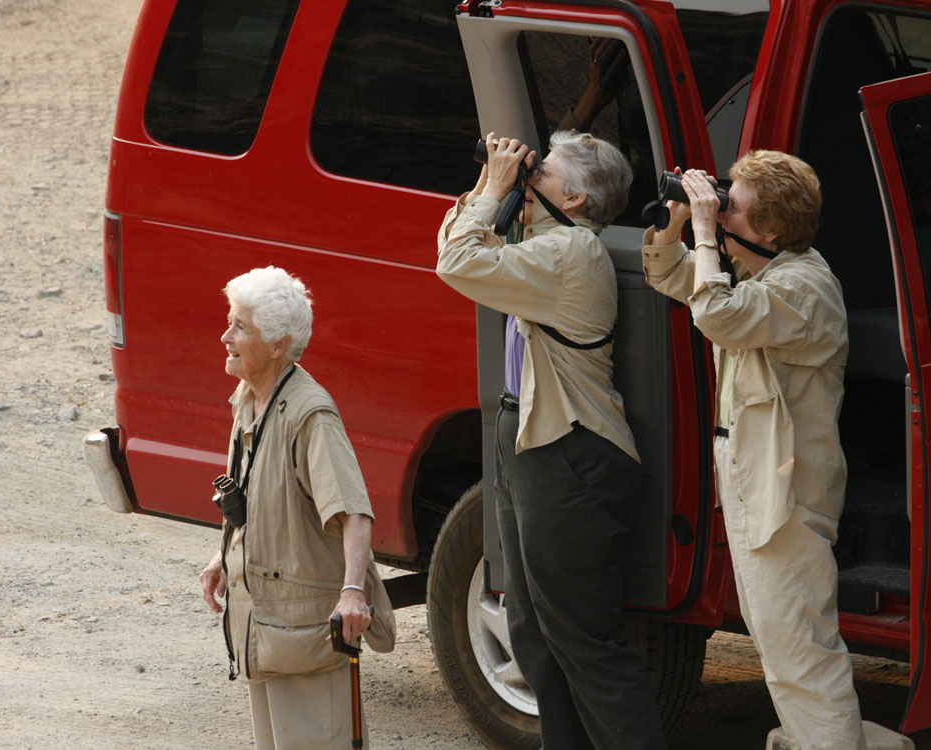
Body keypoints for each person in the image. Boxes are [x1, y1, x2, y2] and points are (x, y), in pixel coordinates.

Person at [642, 151, 900, 750]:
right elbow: (670, 275)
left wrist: (708, 231)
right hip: (754, 479)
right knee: (780, 642)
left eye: (735, 205)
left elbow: (716, 314)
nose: (722, 207)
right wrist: (682, 222)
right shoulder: (760, 274)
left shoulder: (803, 288)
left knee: (800, 652)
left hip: (786, 492)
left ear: (774, 229)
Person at [436, 131, 667, 750]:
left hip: (572, 451)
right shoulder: (544, 242)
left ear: (575, 196)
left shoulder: (569, 251)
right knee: (532, 630)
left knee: (583, 640)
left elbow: (455, 262)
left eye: (542, 172)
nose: (526, 175)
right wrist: (494, 187)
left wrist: (494, 189)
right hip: (532, 438)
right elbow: (462, 244)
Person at [198, 266, 394, 750]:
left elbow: (354, 513)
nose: (226, 336)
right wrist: (227, 556)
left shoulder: (311, 415)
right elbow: (263, 503)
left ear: (278, 344)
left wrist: (352, 593)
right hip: (264, 628)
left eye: (240, 326)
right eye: (231, 321)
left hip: (304, 634)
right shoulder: (249, 398)